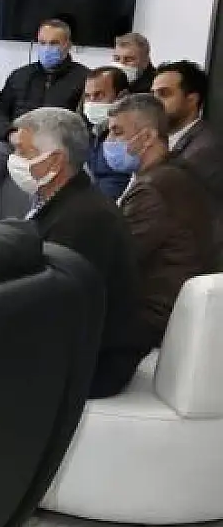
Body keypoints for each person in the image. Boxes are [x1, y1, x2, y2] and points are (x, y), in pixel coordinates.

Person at [7, 107, 138, 400]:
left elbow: (53, 308)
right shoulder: (64, 201)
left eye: (23, 152)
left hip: (91, 364)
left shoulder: (84, 220)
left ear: (55, 160)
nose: (14, 159)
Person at [99, 94, 215, 396]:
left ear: (147, 137)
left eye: (117, 132)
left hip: (149, 319)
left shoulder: (154, 188)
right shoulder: (175, 173)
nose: (109, 142)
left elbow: (115, 259)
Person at [0, 19, 89, 223]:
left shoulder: (83, 78)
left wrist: (50, 145)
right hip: (16, 140)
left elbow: (80, 123)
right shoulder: (21, 75)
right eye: (42, 43)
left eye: (54, 43)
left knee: (45, 169)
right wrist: (10, 134)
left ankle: (40, 225)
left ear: (68, 45)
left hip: (52, 148)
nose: (47, 48)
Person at [151, 61, 223, 263]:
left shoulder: (204, 150)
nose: (154, 103)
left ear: (191, 99)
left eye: (164, 94)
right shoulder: (164, 140)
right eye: (153, 94)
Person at [80, 66, 133, 200]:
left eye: (99, 95)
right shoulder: (91, 131)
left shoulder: (133, 135)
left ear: (122, 97)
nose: (91, 102)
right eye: (87, 96)